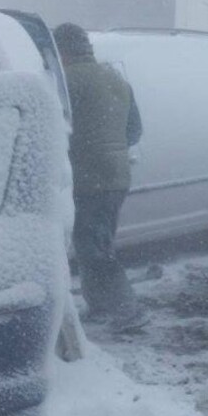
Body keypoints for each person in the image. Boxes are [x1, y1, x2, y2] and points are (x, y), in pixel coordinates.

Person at [54, 22, 146, 330]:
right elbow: (134, 131)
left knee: (93, 249)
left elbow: (55, 131)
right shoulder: (116, 78)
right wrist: (110, 146)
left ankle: (128, 311)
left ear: (61, 51)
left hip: (88, 178)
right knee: (96, 244)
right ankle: (101, 307)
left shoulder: (66, 82)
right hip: (117, 177)